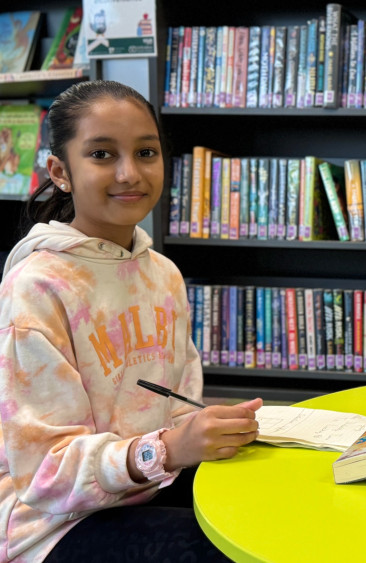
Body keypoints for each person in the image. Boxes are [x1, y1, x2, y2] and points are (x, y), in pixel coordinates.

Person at [0, 80, 261, 562]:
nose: (129, 173)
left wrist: (209, 428)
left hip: (148, 488)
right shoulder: (37, 287)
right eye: (101, 154)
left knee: (269, 514)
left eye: (146, 152)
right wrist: (165, 448)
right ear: (60, 171)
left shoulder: (162, 274)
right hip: (52, 527)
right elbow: (43, 476)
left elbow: (178, 408)